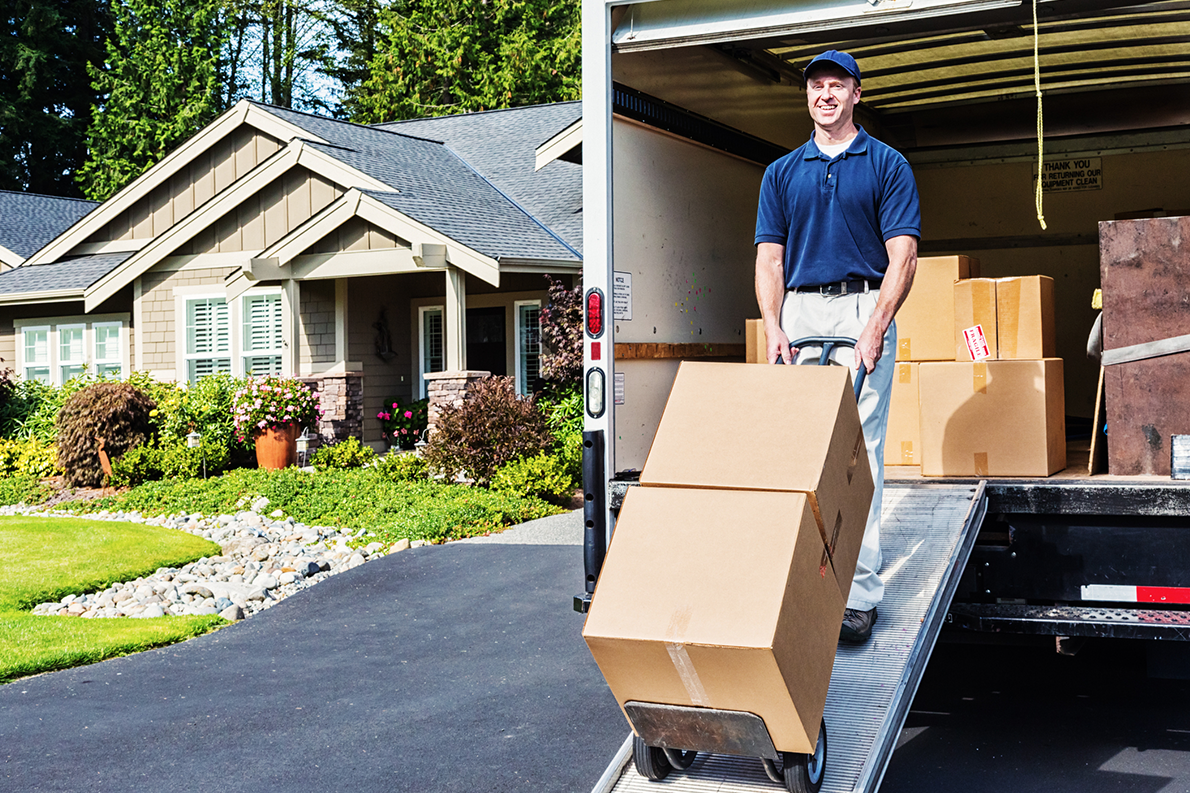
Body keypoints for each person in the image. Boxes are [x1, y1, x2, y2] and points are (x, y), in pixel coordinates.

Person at [753, 50, 920, 644]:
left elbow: (903, 253)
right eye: (816, 86)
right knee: (798, 454)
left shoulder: (887, 164)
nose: (825, 94)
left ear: (856, 94)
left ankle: (858, 595)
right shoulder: (782, 172)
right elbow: (769, 258)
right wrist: (772, 325)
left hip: (861, 308)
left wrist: (876, 324)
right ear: (807, 96)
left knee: (861, 453)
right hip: (799, 313)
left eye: (837, 85)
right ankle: (798, 582)